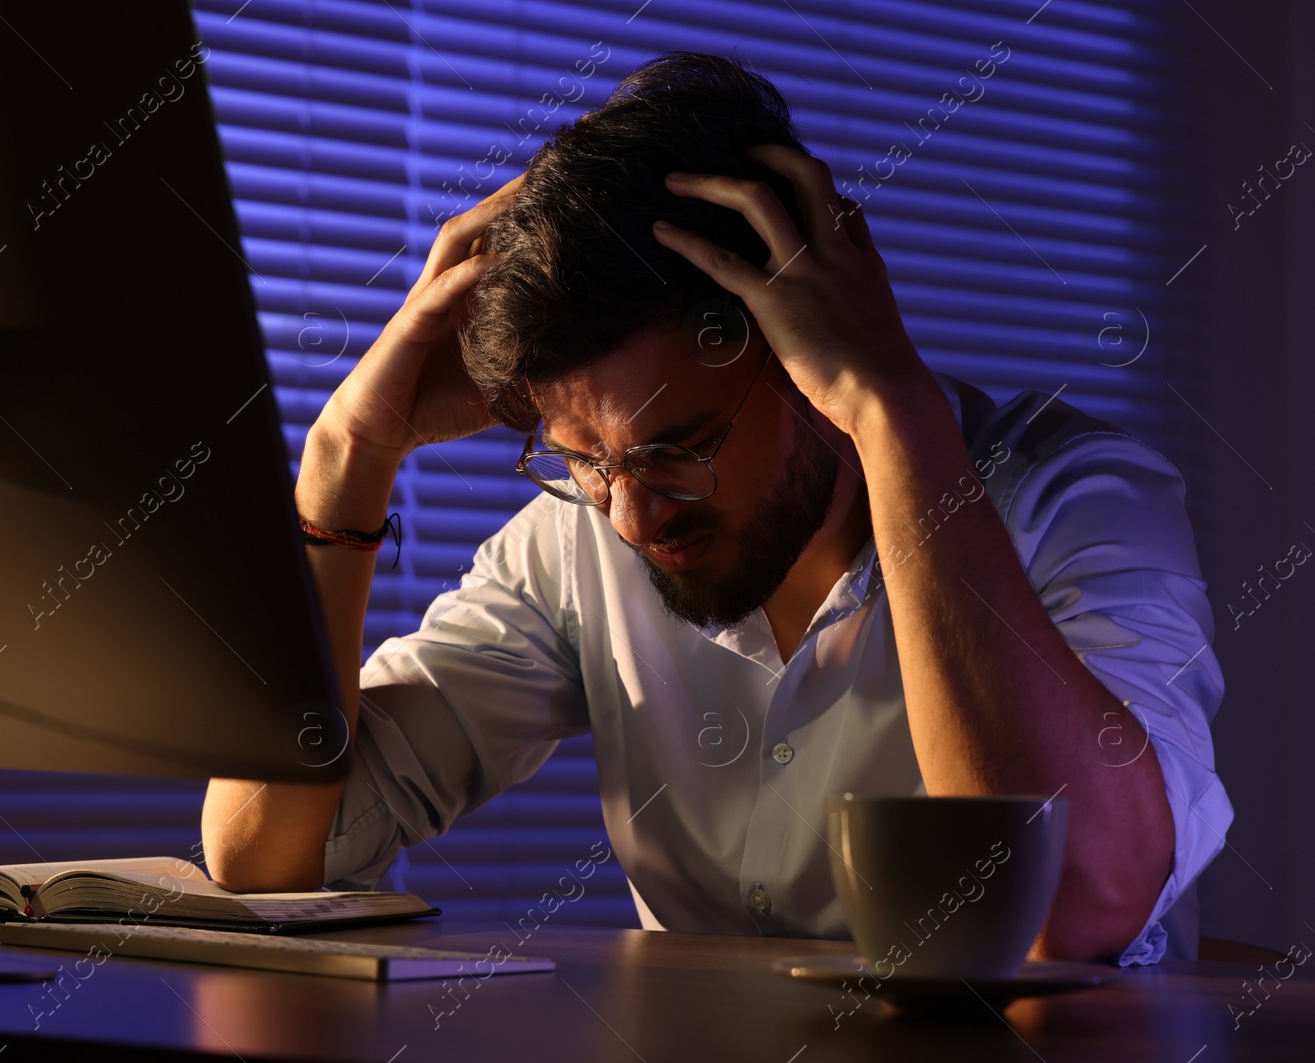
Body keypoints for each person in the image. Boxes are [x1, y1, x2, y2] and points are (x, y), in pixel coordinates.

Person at [202, 53, 1231, 965]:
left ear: (812, 341)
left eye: (680, 448)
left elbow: (1075, 908)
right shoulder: (574, 540)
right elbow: (264, 853)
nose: (633, 519)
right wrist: (345, 461)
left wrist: (893, 411)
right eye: (583, 460)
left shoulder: (1080, 499)